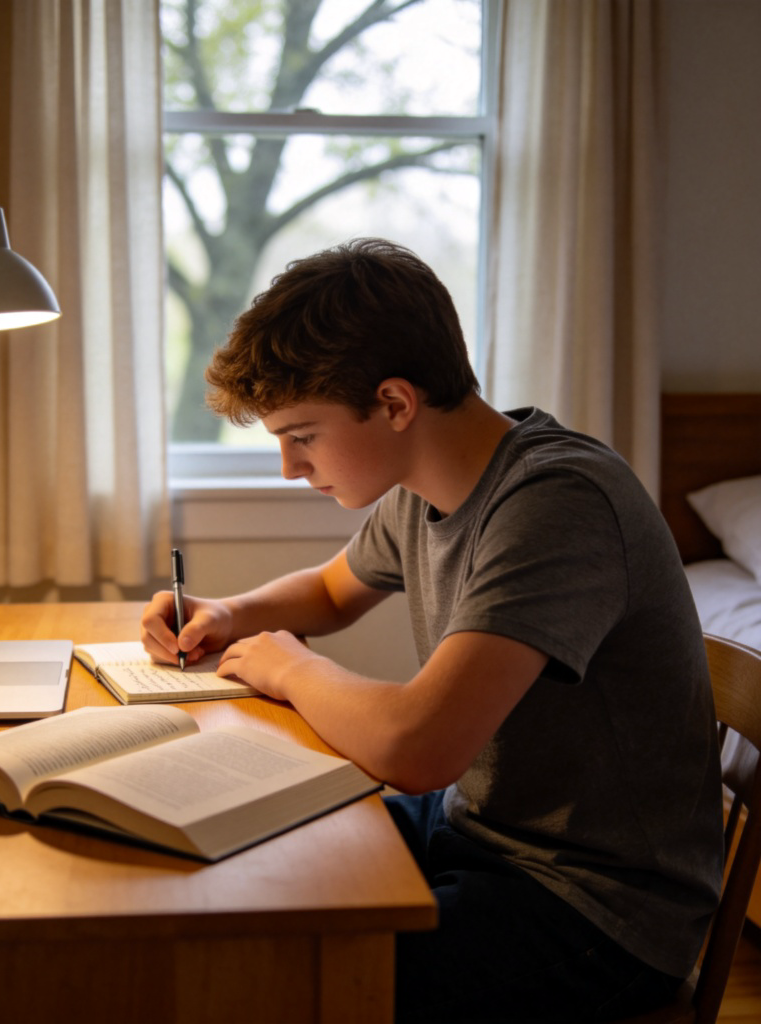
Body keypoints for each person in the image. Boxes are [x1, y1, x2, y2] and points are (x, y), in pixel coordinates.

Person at [140, 238, 724, 1021]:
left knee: (281, 967)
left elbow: (419, 748)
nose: (288, 467)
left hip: (595, 910)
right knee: (250, 866)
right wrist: (228, 613)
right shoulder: (425, 487)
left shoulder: (558, 502)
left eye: (302, 436)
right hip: (481, 832)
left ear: (393, 403)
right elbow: (329, 591)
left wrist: (286, 667)